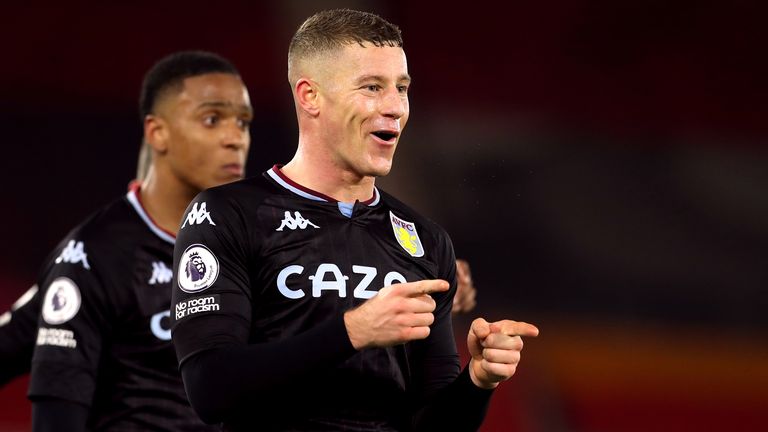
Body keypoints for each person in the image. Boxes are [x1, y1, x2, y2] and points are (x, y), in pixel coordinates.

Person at [171, 8, 538, 431]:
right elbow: (210, 387)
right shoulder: (227, 215)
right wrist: (351, 332)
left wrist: (477, 381)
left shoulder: (426, 240)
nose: (395, 108)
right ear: (310, 96)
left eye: (402, 89)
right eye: (372, 87)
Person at [26, 50, 253, 431]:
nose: (235, 139)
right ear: (157, 132)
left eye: (243, 122)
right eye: (212, 119)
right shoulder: (96, 255)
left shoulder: (255, 246)